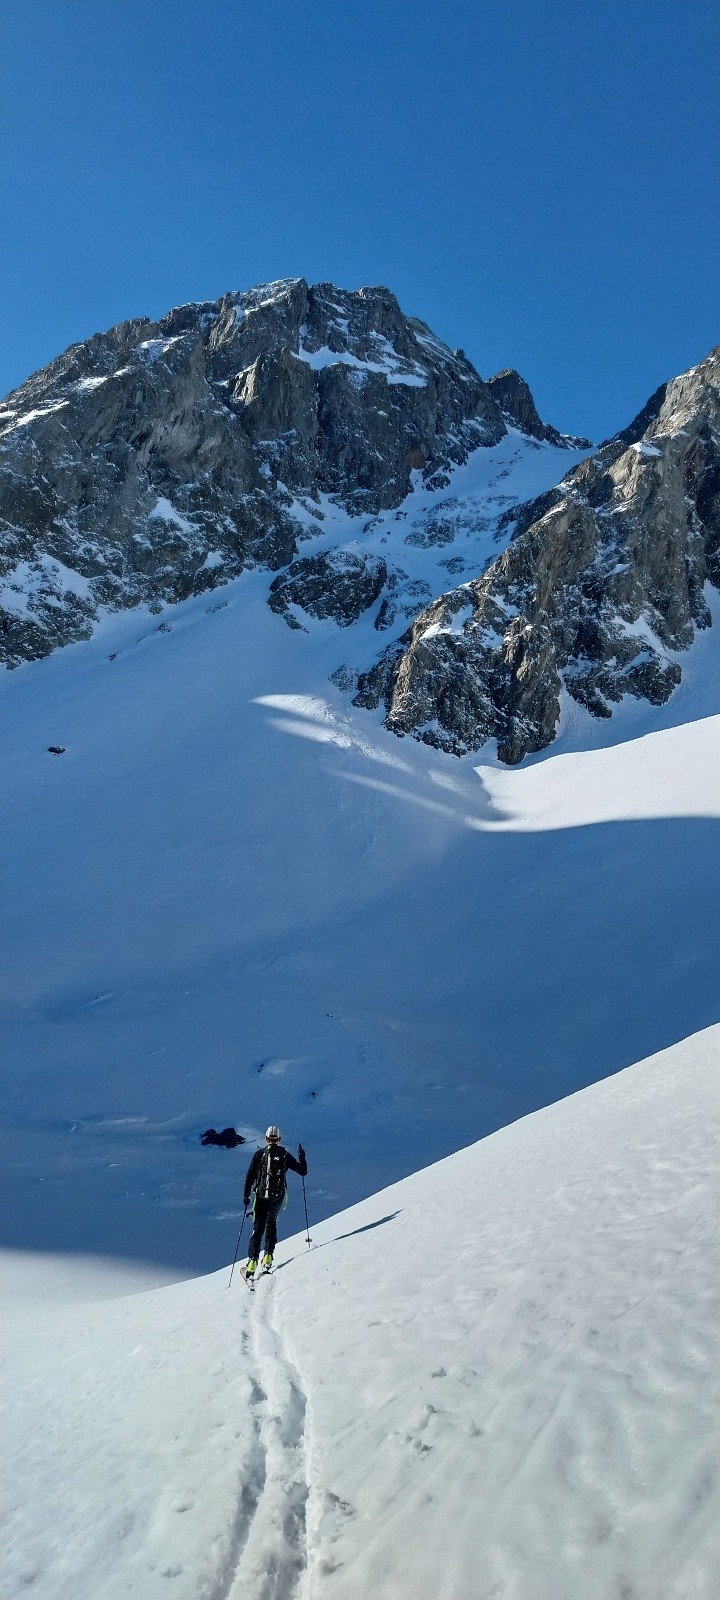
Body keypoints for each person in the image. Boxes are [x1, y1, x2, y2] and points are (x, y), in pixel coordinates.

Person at [243, 1126, 307, 1277]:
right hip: (277, 1197)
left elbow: (249, 1177)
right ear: (279, 1139)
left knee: (258, 1229)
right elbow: (302, 1171)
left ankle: (252, 1263)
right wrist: (302, 1156)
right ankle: (268, 1257)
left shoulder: (259, 1155)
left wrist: (246, 1197)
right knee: (271, 1223)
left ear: (266, 1139)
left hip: (261, 1197)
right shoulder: (284, 1154)